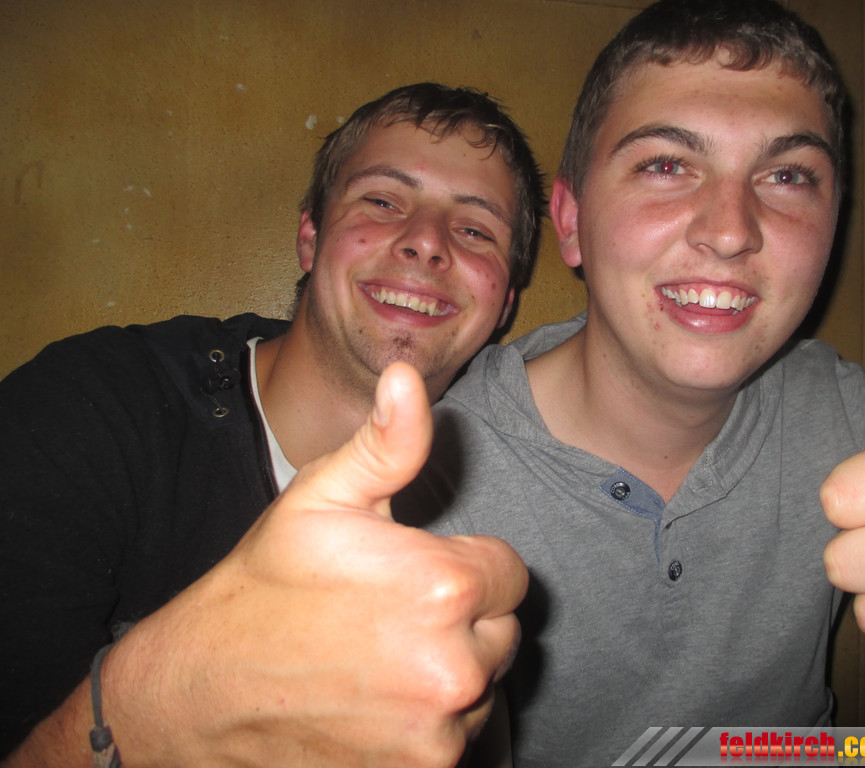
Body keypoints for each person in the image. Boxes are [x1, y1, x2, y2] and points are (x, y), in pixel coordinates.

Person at [394, 1, 865, 765]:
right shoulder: (429, 479)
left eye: (787, 176)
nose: (730, 230)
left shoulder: (855, 420)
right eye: (666, 165)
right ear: (571, 220)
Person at [0, 82, 545, 767]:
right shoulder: (91, 410)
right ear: (310, 238)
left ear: (504, 305)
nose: (426, 243)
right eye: (382, 201)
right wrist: (158, 712)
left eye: (475, 230)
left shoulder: (504, 492)